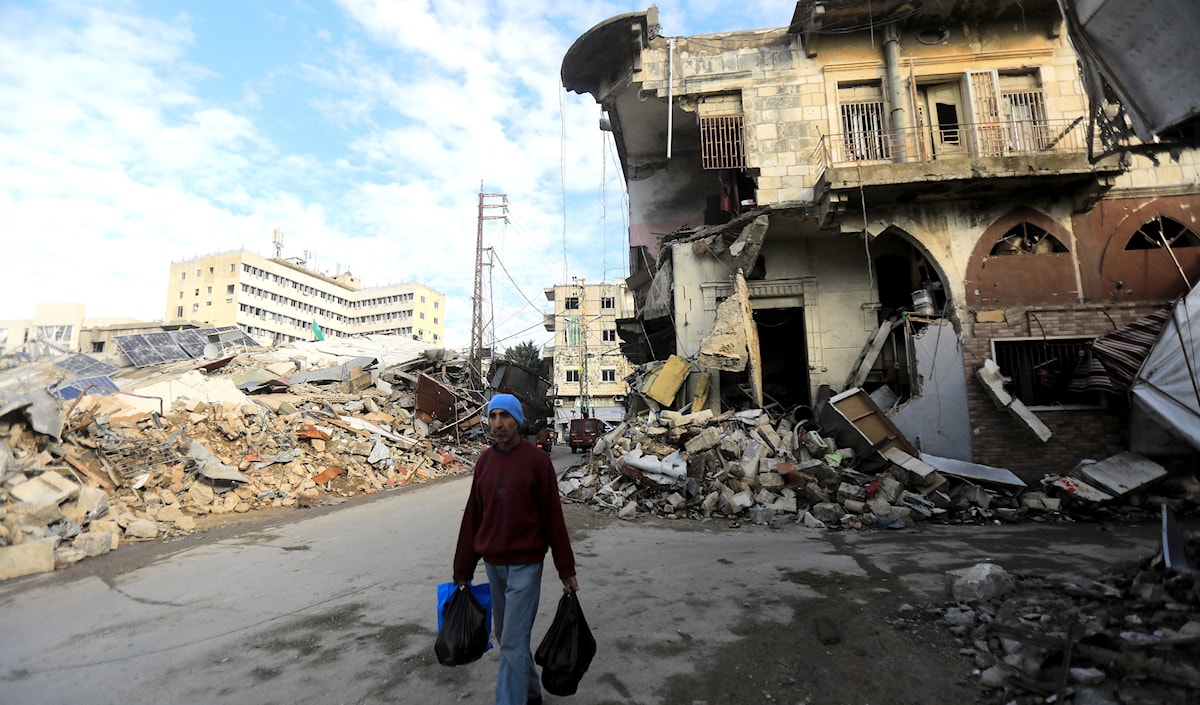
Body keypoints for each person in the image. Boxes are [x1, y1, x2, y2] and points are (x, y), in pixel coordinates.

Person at [453, 394, 579, 705]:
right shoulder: (484, 462)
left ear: (517, 421)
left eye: (505, 416)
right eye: (493, 416)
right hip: (494, 565)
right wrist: (462, 570)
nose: (498, 423)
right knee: (508, 637)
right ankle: (531, 693)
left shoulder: (536, 462)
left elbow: (553, 517)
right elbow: (473, 517)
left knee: (511, 640)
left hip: (526, 565)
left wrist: (566, 568)